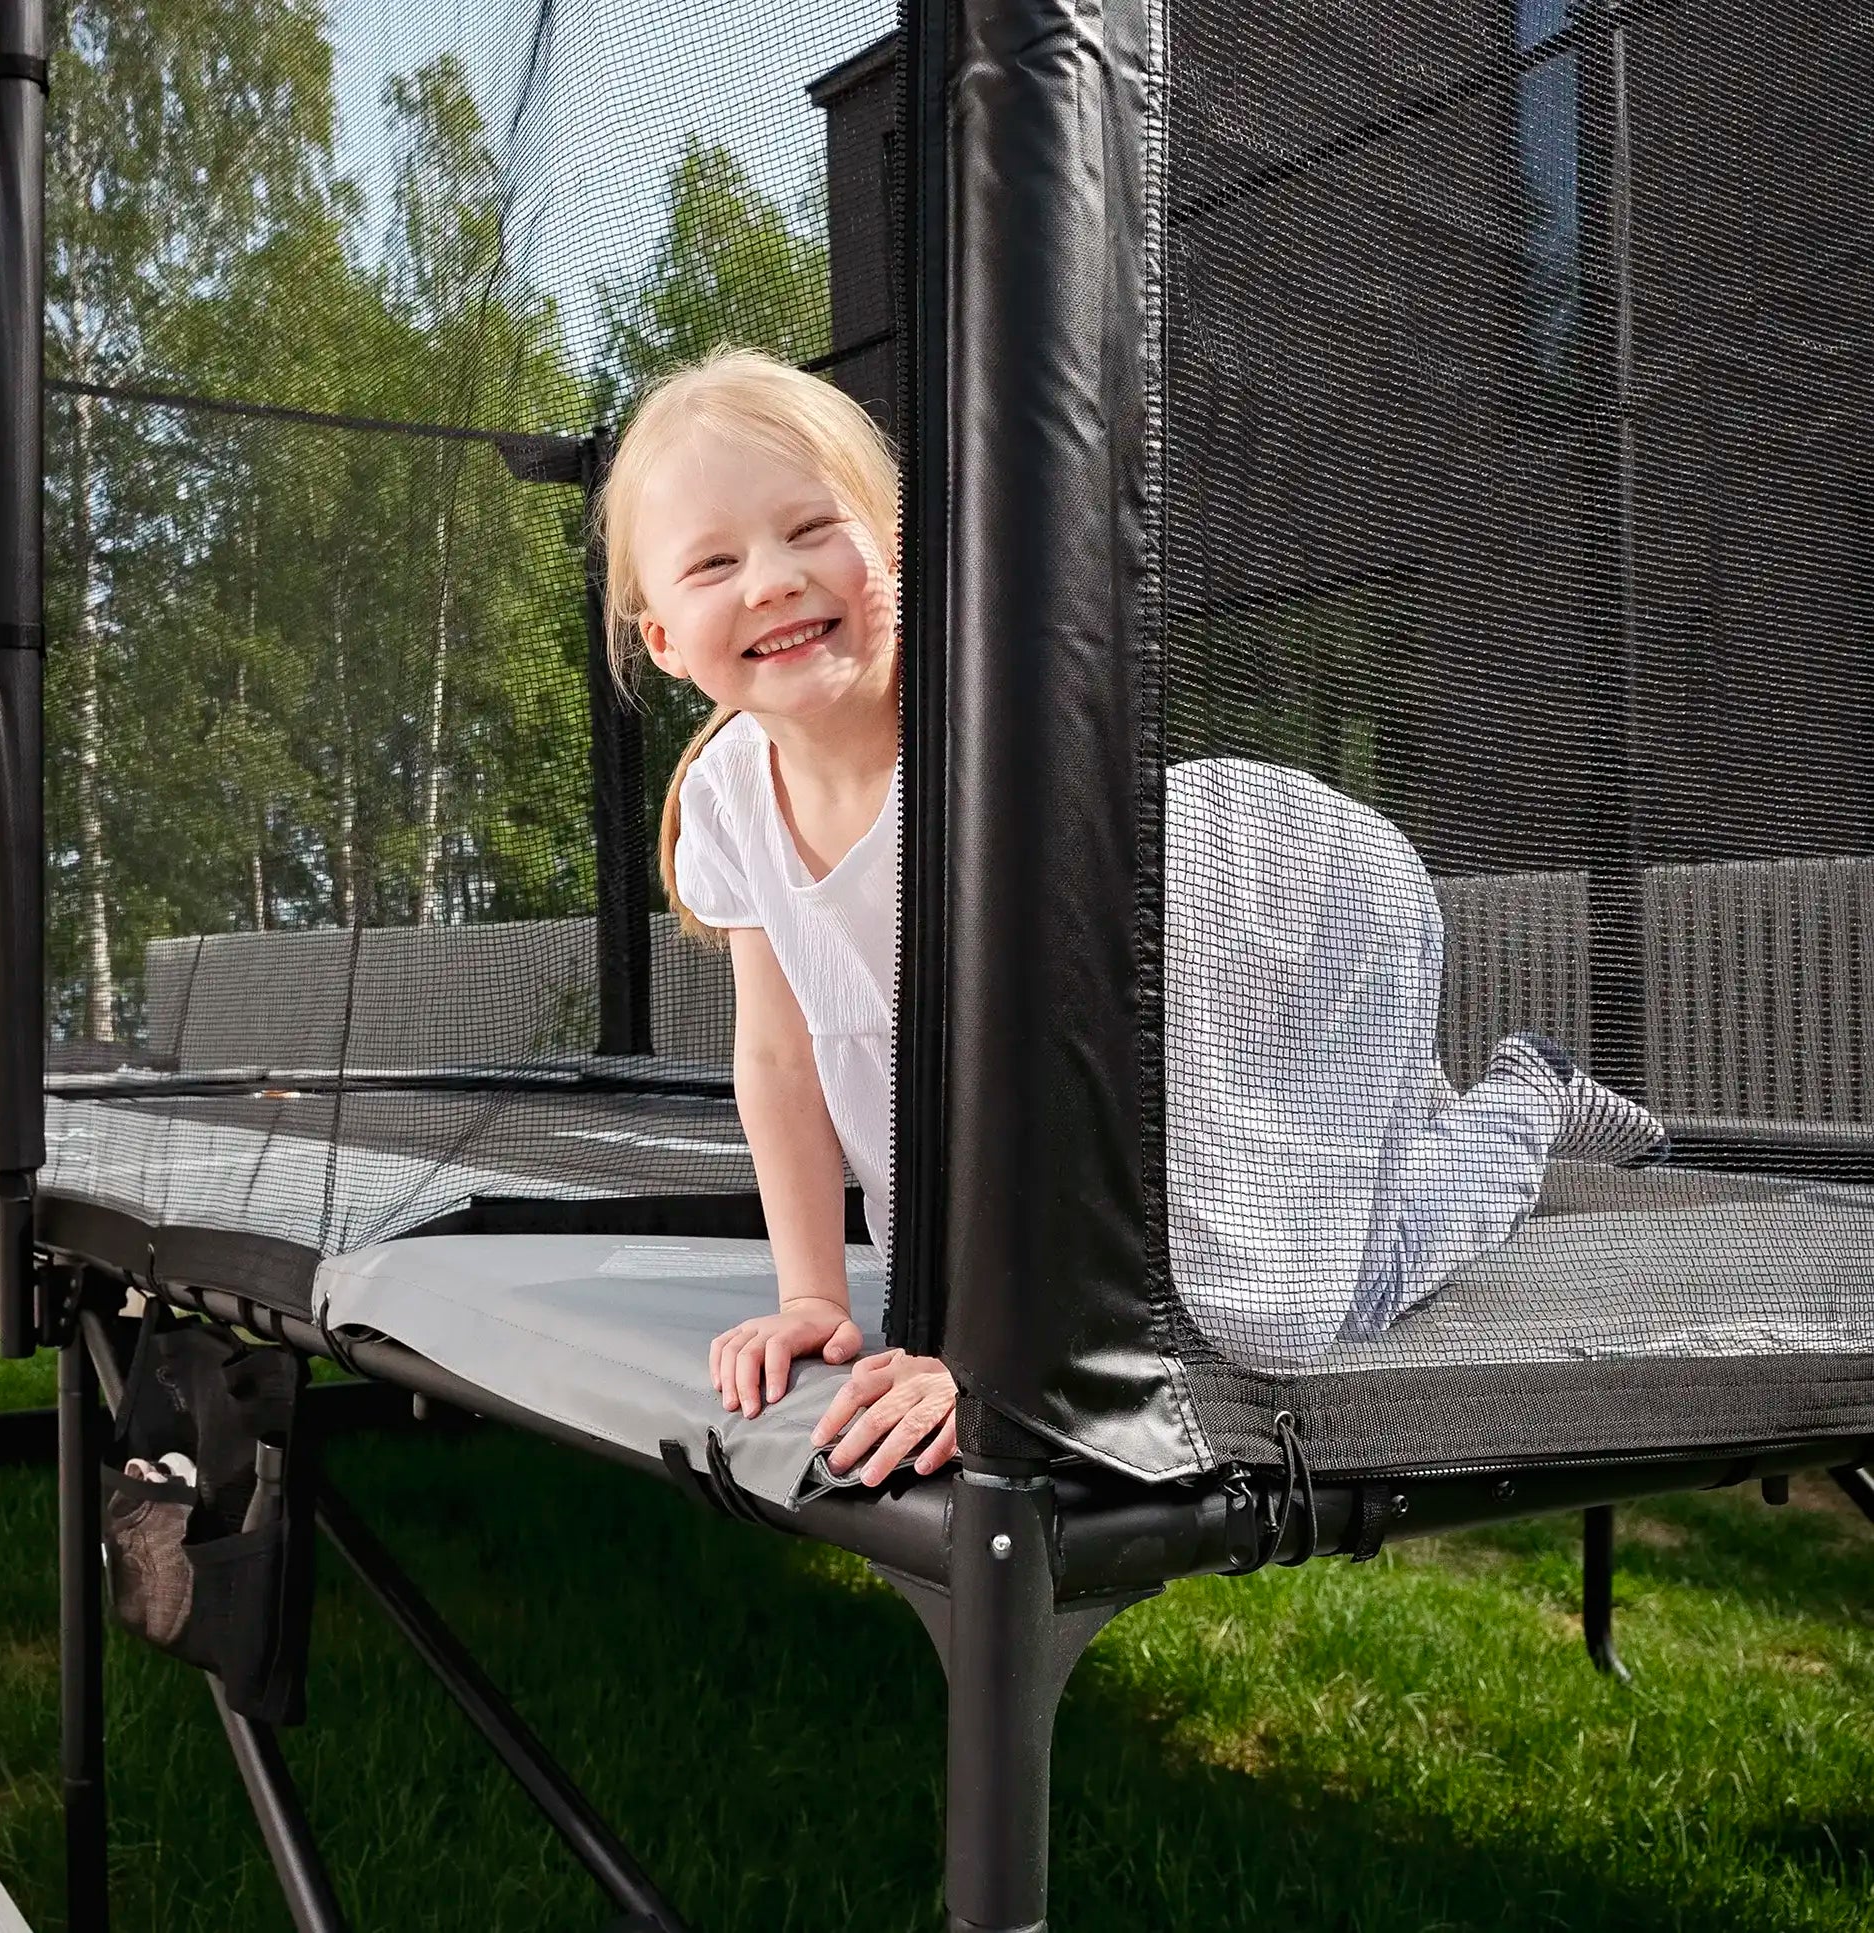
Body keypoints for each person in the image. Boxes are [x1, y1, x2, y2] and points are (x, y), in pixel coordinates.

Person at [597, 350, 1666, 1488]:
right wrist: (810, 1296)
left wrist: (1009, 1362)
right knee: (1011, 1252)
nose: (770, 578)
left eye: (812, 529)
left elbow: (1069, 1072)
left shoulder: (984, 754)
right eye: (713, 562)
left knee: (1276, 1316)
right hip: (1153, 1010)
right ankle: (1374, 1126)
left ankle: (1514, 1106)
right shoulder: (723, 800)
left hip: (1300, 922)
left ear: (899, 550)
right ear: (661, 638)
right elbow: (776, 1052)